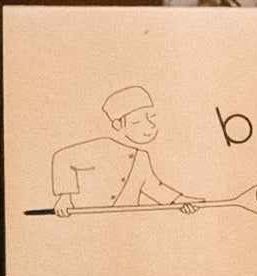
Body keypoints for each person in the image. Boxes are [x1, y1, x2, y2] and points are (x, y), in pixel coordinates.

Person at [51, 87, 199, 213]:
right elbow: (63, 158)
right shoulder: (102, 147)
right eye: (137, 121)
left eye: (151, 117)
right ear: (117, 125)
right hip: (91, 224)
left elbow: (152, 186)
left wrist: (179, 200)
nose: (149, 125)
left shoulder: (141, 156)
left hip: (124, 226)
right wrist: (64, 198)